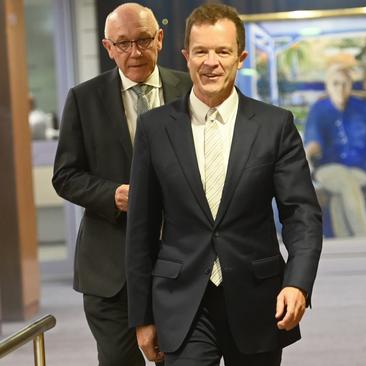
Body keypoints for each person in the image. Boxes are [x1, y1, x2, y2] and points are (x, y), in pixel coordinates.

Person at [125, 4, 322, 366]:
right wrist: (142, 316)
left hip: (258, 299)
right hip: (182, 301)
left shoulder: (274, 125)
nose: (210, 62)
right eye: (200, 51)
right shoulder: (155, 129)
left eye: (222, 51)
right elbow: (140, 228)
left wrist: (298, 283)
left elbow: (302, 215)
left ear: (241, 58)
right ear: (186, 56)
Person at [52, 3, 192, 365]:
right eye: (123, 43)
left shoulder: (189, 89)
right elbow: (65, 176)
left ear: (159, 39)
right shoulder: (84, 99)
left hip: (183, 262)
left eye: (144, 40)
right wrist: (112, 195)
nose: (135, 53)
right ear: (108, 47)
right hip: (110, 268)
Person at [304, 64, 366, 237]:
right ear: (328, 86)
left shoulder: (363, 108)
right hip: (327, 170)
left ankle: (344, 242)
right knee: (346, 181)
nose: (340, 88)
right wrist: (306, 155)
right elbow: (313, 141)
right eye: (335, 83)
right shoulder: (318, 110)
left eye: (344, 83)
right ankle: (365, 237)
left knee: (341, 193)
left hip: (360, 169)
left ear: (350, 85)